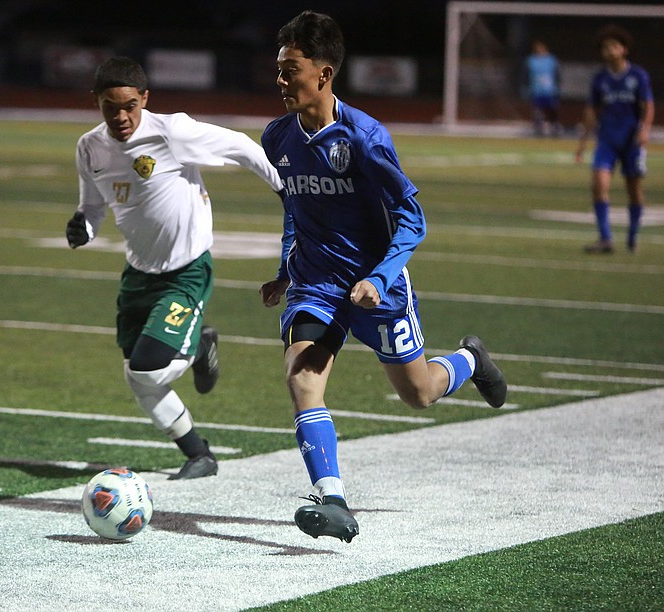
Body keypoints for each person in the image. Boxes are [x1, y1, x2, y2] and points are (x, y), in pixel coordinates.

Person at [259, 11, 507, 543]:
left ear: (323, 74)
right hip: (317, 284)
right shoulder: (276, 137)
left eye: (290, 70)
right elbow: (293, 207)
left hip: (377, 291)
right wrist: (285, 269)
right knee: (303, 378)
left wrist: (379, 276)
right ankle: (333, 500)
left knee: (418, 393)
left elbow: (413, 217)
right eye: (279, 70)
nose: (280, 80)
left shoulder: (366, 137)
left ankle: (469, 359)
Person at [66, 57, 284, 479]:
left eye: (130, 105)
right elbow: (92, 209)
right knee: (138, 377)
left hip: (185, 270)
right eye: (110, 106)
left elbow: (240, 145)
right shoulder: (89, 147)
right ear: (96, 102)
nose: (121, 116)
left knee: (148, 367)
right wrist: (84, 228)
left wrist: (283, 188)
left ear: (144, 99)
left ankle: (200, 346)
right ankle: (198, 454)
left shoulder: (172, 132)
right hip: (138, 273)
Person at [575, 25, 654, 254]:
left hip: (631, 141)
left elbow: (647, 105)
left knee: (634, 190)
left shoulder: (638, 75)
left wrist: (645, 130)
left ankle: (632, 235)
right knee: (599, 184)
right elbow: (591, 111)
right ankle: (605, 239)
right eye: (605, 47)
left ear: (624, 49)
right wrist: (582, 144)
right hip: (607, 139)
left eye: (614, 46)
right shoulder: (600, 79)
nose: (609, 50)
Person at [525, 39, 561, 137]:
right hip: (537, 91)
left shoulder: (551, 60)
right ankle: (538, 128)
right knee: (537, 111)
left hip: (549, 91)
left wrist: (557, 87)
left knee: (552, 110)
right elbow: (526, 75)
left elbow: (557, 74)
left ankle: (554, 127)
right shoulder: (531, 61)